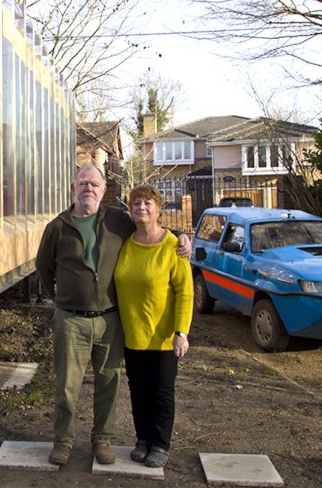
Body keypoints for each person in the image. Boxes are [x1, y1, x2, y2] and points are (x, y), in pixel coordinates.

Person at [35, 164, 190, 467]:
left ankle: (102, 441)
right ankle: (63, 442)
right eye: (83, 183)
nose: (88, 189)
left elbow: (152, 226)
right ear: (73, 187)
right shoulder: (57, 226)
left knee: (109, 384)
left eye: (94, 184)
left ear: (104, 191)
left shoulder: (118, 220)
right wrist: (61, 299)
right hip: (71, 320)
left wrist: (182, 236)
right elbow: (44, 267)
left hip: (109, 320)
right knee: (67, 386)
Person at [113, 184, 194, 468]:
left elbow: (186, 292)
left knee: (161, 392)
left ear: (158, 209)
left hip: (163, 337)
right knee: (138, 390)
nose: (141, 208)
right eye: (136, 203)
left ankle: (160, 444)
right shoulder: (125, 242)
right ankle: (142, 440)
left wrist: (181, 332)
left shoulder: (174, 246)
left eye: (147, 203)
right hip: (133, 333)